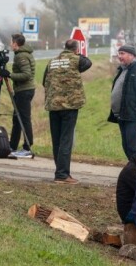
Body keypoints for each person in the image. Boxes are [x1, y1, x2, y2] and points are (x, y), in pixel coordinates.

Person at [42, 39, 92, 184]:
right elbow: (88, 62)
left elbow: (44, 81)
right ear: (76, 50)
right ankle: (62, 175)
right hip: (69, 106)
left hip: (53, 105)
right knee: (66, 140)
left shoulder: (52, 61)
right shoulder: (77, 60)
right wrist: (77, 54)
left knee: (57, 140)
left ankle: (60, 171)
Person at [108, 44, 136, 161]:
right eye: (119, 53)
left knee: (133, 148)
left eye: (122, 53)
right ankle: (134, 171)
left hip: (133, 117)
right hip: (121, 116)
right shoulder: (122, 70)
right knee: (126, 146)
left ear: (132, 55)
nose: (119, 56)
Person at [7, 33, 36, 158]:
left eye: (11, 42)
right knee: (17, 119)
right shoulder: (23, 54)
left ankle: (27, 147)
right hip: (23, 90)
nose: (10, 44)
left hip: (24, 91)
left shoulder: (21, 56)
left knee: (24, 119)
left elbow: (26, 74)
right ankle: (12, 146)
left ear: (15, 43)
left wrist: (10, 75)